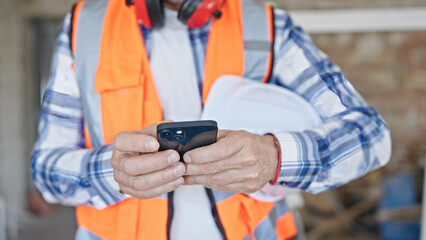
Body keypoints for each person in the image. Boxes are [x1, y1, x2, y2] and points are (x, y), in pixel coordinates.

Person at [31, 0, 391, 239]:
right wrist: (111, 172)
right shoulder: (85, 27)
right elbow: (46, 169)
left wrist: (274, 157)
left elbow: (371, 136)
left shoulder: (266, 26)